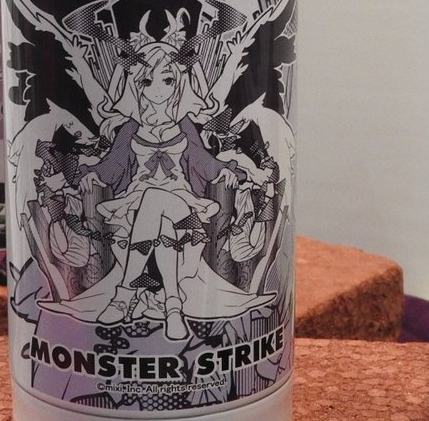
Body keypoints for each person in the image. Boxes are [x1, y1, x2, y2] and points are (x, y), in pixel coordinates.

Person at [46, 31, 274, 341]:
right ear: (137, 85)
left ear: (178, 83)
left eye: (167, 80)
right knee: (157, 213)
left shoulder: (184, 126)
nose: (157, 89)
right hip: (136, 204)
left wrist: (229, 172)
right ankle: (173, 306)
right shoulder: (130, 129)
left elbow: (204, 162)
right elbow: (112, 165)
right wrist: (92, 175)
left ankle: (124, 295)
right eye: (147, 81)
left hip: (182, 201)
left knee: (156, 200)